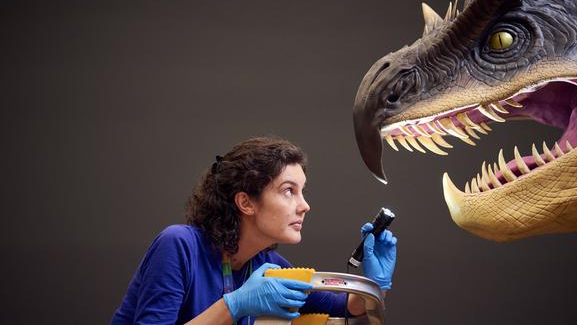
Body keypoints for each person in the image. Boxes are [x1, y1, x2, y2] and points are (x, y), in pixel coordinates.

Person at [111, 137, 397, 324]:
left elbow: (346, 308)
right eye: (289, 191)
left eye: (302, 192)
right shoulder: (179, 246)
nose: (304, 206)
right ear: (246, 201)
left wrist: (376, 284)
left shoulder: (266, 266)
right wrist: (235, 305)